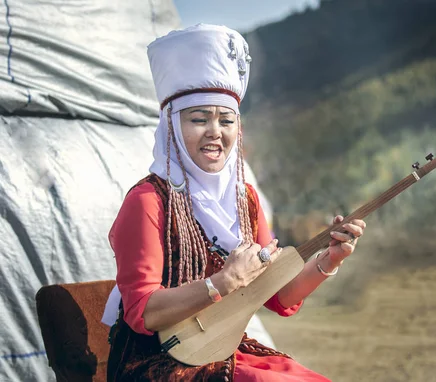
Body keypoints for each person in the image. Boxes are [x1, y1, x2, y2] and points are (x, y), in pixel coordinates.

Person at [106, 23, 366, 381]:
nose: (215, 131)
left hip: (223, 348)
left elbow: (279, 295)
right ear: (171, 128)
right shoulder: (149, 202)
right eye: (199, 119)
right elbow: (142, 311)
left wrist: (328, 259)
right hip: (157, 362)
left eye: (226, 120)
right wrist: (221, 283)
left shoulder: (245, 199)